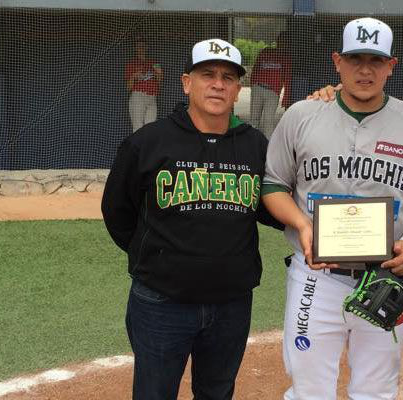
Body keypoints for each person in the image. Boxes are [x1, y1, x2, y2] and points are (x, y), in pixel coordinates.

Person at [262, 17, 403, 400]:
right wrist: (302, 223)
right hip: (315, 277)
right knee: (310, 388)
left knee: (376, 390)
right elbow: (273, 187)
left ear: (391, 65)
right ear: (337, 62)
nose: (365, 69)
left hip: (382, 277)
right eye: (355, 58)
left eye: (376, 60)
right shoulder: (301, 115)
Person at [102, 38, 281, 400]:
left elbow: (271, 208)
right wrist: (157, 257)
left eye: (228, 77)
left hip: (231, 302)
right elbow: (117, 212)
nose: (218, 84)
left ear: (237, 89)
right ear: (187, 83)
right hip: (161, 302)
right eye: (208, 74)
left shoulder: (255, 146)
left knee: (216, 393)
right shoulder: (148, 142)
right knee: (154, 392)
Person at [249, 31, 292, 138]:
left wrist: (285, 99)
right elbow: (256, 68)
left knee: (268, 121)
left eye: (285, 41)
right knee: (254, 119)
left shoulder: (286, 57)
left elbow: (287, 79)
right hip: (258, 88)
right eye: (281, 40)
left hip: (273, 92)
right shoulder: (266, 51)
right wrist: (253, 84)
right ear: (277, 41)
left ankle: (267, 147)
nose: (283, 43)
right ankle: (251, 142)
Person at [124, 38, 163, 132]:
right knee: (138, 127)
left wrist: (159, 73)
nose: (141, 48)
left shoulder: (154, 63)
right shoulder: (132, 64)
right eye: (138, 46)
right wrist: (134, 76)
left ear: (147, 47)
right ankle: (137, 147)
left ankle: (147, 147)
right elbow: (128, 88)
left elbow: (159, 81)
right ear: (135, 49)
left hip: (152, 96)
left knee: (150, 127)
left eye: (142, 46)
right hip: (138, 96)